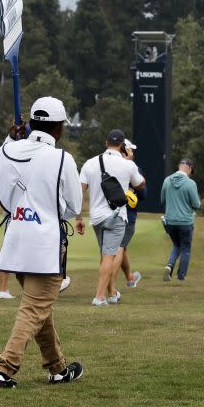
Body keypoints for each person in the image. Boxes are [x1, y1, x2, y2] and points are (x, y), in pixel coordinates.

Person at [0, 96, 84, 388]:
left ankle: (57, 368)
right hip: (45, 245)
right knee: (33, 310)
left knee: (40, 308)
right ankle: (4, 370)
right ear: (58, 127)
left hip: (15, 243)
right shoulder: (62, 158)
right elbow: (74, 206)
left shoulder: (7, 151)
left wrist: (11, 137)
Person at [76, 129, 145, 306]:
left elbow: (79, 191)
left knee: (105, 255)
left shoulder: (90, 163)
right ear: (122, 145)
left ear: (106, 143)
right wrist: (130, 161)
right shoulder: (127, 164)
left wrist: (78, 217)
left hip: (97, 217)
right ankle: (99, 297)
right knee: (109, 257)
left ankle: (112, 293)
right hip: (116, 216)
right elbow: (140, 184)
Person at [161, 158, 201, 281]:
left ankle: (169, 266)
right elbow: (196, 205)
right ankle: (181, 276)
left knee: (177, 245)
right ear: (189, 168)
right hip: (185, 222)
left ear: (179, 166)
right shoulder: (190, 184)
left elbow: (162, 200)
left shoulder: (167, 181)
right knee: (185, 249)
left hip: (170, 222)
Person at [117, 138, 145, 288]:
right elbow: (143, 194)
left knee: (122, 247)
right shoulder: (132, 167)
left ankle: (129, 278)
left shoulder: (107, 165)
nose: (132, 152)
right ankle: (110, 287)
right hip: (128, 215)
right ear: (125, 151)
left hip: (108, 212)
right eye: (130, 149)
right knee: (119, 248)